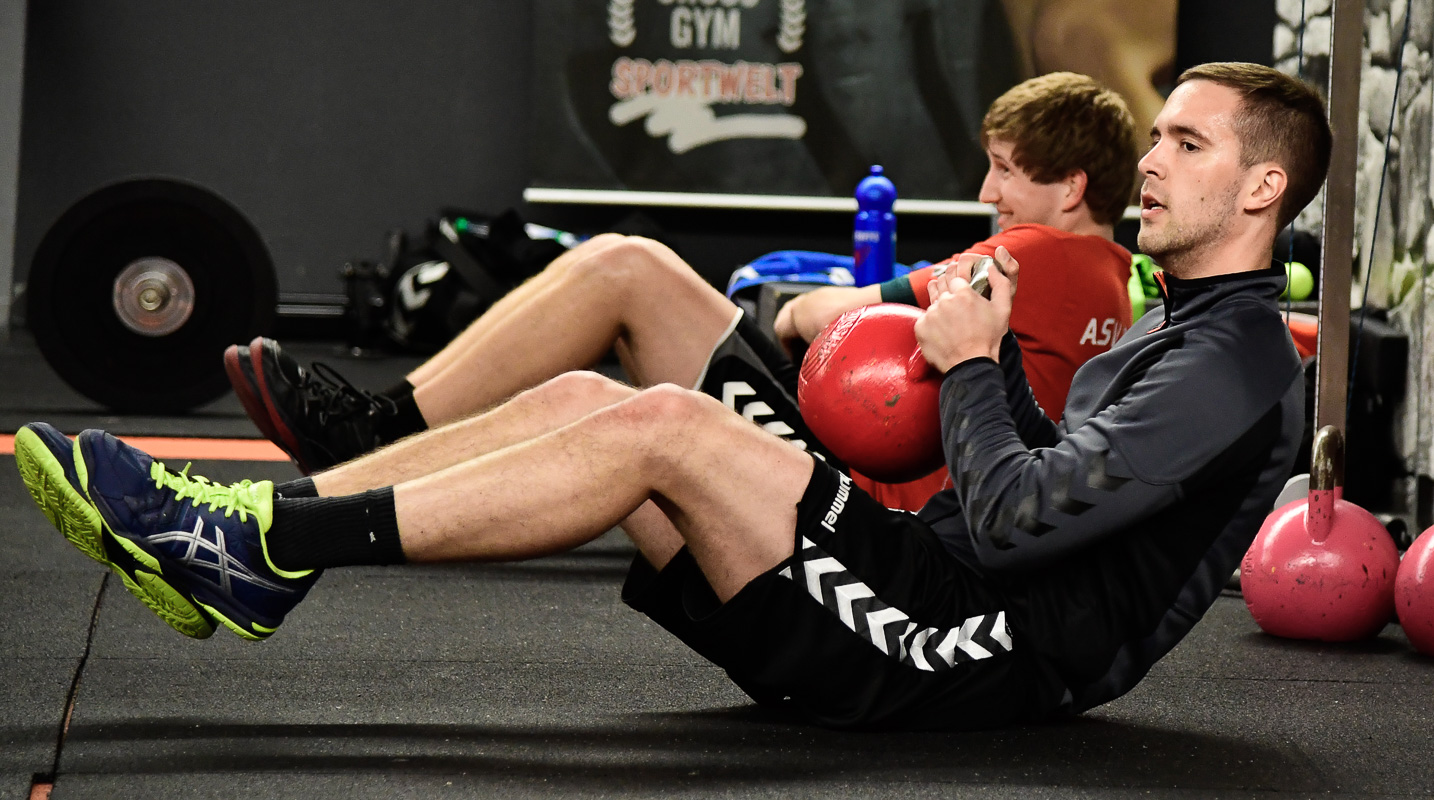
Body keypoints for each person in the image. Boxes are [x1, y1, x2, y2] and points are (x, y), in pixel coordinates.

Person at [17, 61, 1328, 731]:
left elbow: (1015, 527)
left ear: (1262, 191)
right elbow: (1042, 487)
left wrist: (970, 362)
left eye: (1185, 144)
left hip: (966, 654)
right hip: (936, 586)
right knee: (597, 388)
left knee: (660, 421)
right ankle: (254, 524)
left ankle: (260, 549)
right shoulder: (1191, 326)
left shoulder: (1234, 356)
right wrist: (967, 367)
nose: (1147, 160)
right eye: (1154, 135)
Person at [223, 72, 1138, 512]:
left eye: (1007, 172)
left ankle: (378, 429)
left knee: (625, 267)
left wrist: (797, 308)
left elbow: (825, 314)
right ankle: (367, 451)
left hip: (862, 492)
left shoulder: (1031, 255)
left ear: (1070, 190)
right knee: (614, 315)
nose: (986, 195)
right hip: (898, 470)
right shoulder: (1114, 283)